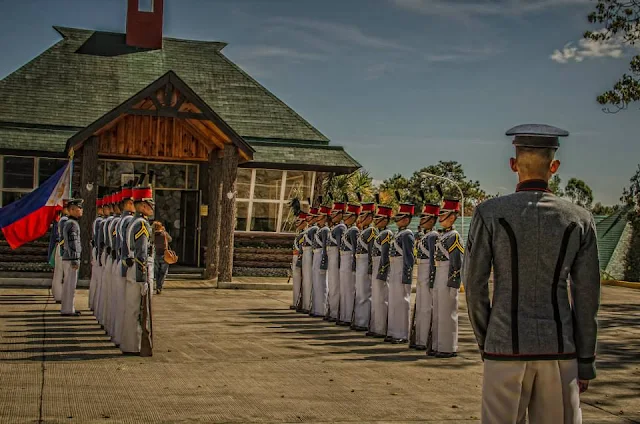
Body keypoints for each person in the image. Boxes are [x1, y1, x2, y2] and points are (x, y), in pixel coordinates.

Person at [463, 124, 601, 424]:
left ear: (513, 165)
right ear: (554, 166)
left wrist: (490, 340)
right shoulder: (580, 219)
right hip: (559, 349)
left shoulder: (489, 213)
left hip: (504, 348)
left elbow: (473, 286)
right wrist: (586, 361)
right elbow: (587, 295)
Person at [121, 183, 155, 356]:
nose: (152, 208)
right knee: (137, 310)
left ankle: (128, 343)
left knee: (131, 307)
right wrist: (143, 279)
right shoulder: (142, 224)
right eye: (150, 204)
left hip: (130, 269)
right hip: (138, 272)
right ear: (142, 205)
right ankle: (134, 345)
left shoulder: (132, 221)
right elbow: (141, 254)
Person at [431, 197, 463, 358]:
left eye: (443, 213)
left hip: (447, 275)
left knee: (447, 313)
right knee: (438, 311)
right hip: (439, 273)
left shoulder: (454, 236)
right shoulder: (444, 235)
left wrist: (454, 283)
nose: (440, 217)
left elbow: (456, 262)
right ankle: (438, 344)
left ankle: (448, 346)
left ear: (451, 216)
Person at [411, 201, 439, 351]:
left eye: (425, 217)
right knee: (421, 306)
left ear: (432, 220)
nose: (421, 220)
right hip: (422, 272)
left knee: (427, 307)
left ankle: (425, 339)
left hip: (428, 272)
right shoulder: (425, 236)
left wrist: (433, 279)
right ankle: (420, 338)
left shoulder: (433, 236)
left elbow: (433, 260)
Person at [386, 202, 415, 343]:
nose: (397, 219)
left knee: (401, 303)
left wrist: (407, 277)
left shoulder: (407, 235)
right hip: (394, 268)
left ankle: (402, 334)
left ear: (407, 219)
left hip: (401, 270)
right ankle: (393, 331)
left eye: (400, 217)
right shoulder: (399, 234)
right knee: (393, 302)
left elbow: (409, 258)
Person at [367, 198, 392, 338]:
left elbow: (385, 256)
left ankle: (381, 327)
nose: (375, 220)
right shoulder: (379, 234)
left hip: (381, 268)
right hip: (375, 265)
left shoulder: (387, 234)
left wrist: (382, 272)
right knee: (376, 298)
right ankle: (376, 326)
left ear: (385, 219)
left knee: (381, 298)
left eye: (378, 217)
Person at [116, 184, 136, 345]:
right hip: (130, 265)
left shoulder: (118, 220)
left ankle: (118, 335)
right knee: (130, 306)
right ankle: (129, 342)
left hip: (116, 260)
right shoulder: (130, 221)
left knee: (116, 302)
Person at [353, 201, 376, 331]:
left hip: (365, 261)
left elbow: (372, 251)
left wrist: (370, 267)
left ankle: (364, 321)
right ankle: (360, 319)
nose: (360, 217)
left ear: (370, 217)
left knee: (365, 293)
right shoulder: (363, 231)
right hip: (359, 261)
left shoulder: (371, 231)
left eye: (363, 214)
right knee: (360, 292)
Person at [60, 197, 83, 316]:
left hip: (68, 258)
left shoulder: (70, 223)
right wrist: (75, 258)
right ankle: (68, 309)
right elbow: (72, 242)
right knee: (70, 285)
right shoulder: (72, 224)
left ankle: (67, 308)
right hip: (70, 259)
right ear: (73, 209)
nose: (81, 210)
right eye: (79, 208)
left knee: (68, 284)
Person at [338, 202, 360, 326]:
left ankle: (348, 317)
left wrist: (354, 264)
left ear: (352, 217)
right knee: (344, 289)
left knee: (349, 289)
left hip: (350, 259)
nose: (344, 216)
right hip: (344, 259)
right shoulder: (348, 230)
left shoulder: (353, 230)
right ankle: (344, 315)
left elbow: (355, 248)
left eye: (347, 214)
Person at [326, 200, 346, 322]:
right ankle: (332, 311)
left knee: (335, 286)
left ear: (340, 214)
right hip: (331, 258)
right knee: (332, 285)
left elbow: (340, 247)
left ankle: (335, 311)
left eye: (334, 212)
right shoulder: (335, 227)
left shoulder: (340, 228)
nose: (331, 215)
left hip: (336, 260)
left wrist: (339, 263)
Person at [311, 204, 331, 317]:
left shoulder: (325, 230)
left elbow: (325, 248)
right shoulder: (320, 229)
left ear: (325, 217)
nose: (317, 217)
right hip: (316, 256)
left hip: (320, 257)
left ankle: (322, 309)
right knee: (317, 284)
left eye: (320, 215)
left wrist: (324, 264)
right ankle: (316, 308)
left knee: (322, 285)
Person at [300, 206, 319, 314]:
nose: (308, 218)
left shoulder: (315, 229)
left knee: (310, 281)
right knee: (306, 281)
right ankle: (306, 304)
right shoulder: (310, 229)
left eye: (311, 216)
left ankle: (309, 305)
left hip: (311, 254)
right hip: (306, 254)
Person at [51, 200, 70, 304]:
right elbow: (63, 237)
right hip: (63, 247)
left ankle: (58, 294)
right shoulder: (64, 220)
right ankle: (60, 296)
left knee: (58, 273)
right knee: (62, 274)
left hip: (60, 247)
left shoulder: (62, 219)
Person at [89, 196, 104, 311]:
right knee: (100, 282)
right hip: (101, 253)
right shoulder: (100, 221)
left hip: (99, 252)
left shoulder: (100, 221)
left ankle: (94, 305)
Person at [291, 209, 308, 310]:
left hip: (300, 258)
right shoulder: (299, 234)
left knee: (302, 281)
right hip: (295, 257)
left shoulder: (305, 234)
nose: (297, 223)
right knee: (296, 281)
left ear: (304, 222)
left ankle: (300, 302)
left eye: (299, 221)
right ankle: (296, 301)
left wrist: (299, 261)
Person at [153, 221, 173, 294]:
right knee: (163, 272)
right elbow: (170, 239)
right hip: (164, 255)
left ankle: (157, 285)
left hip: (155, 254)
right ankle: (159, 287)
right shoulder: (164, 233)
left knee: (157, 272)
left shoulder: (152, 234)